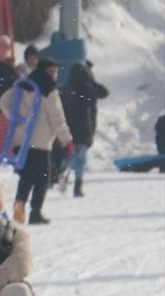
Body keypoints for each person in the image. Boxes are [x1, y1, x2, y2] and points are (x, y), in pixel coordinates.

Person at [0, 58, 72, 224]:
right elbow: (57, 118)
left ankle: (19, 206)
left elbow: (3, 102)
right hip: (41, 142)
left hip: (20, 141)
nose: (54, 75)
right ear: (46, 71)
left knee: (26, 177)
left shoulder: (23, 85)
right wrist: (66, 140)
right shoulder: (50, 90)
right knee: (42, 178)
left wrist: (13, 117)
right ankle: (35, 212)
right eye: (52, 72)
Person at [59, 60, 109, 197]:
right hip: (84, 127)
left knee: (69, 153)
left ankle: (64, 168)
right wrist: (92, 80)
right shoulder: (88, 89)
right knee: (81, 157)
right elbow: (104, 92)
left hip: (68, 127)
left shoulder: (66, 88)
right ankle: (78, 185)